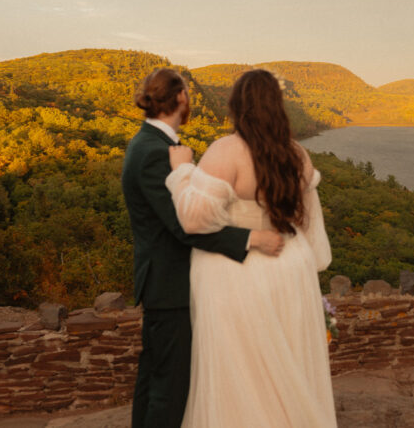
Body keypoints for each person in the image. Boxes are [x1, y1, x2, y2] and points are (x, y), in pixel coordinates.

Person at [165, 69, 337, 427]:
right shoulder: (298, 154)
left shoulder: (225, 151)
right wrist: (306, 263)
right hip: (290, 267)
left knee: (241, 367)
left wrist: (181, 172)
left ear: (237, 106)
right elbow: (309, 224)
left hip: (237, 273)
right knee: (287, 361)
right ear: (278, 106)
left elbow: (195, 219)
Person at [122, 68, 285, 428]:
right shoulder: (155, 152)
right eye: (188, 95)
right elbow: (184, 226)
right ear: (181, 98)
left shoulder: (149, 144)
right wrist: (251, 239)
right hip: (171, 285)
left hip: (166, 283)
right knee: (170, 387)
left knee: (154, 380)